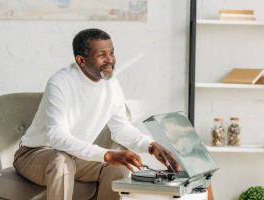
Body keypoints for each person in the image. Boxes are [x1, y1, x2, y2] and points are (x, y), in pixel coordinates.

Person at [13, 28, 208, 200]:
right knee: (60, 162)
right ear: (81, 60)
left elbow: (121, 128)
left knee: (119, 167)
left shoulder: (111, 83)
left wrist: (151, 146)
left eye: (112, 52)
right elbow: (57, 137)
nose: (111, 60)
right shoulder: (60, 83)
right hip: (35, 155)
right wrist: (106, 154)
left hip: (74, 157)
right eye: (102, 55)